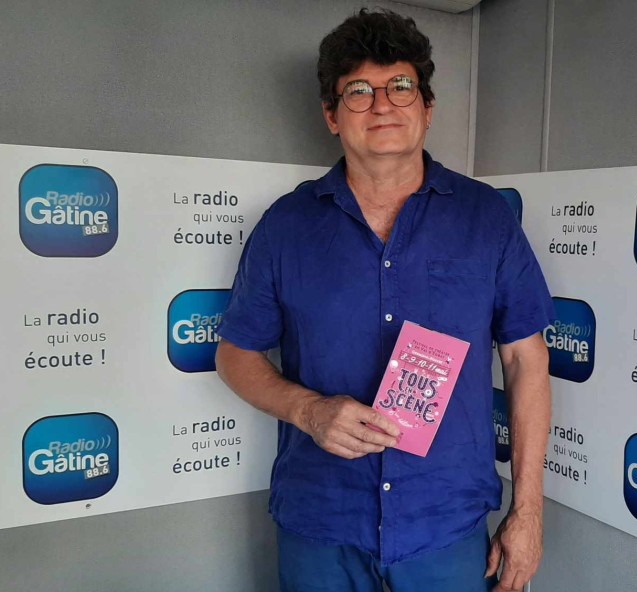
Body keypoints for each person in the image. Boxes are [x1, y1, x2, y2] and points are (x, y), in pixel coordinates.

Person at [215, 9, 553, 592]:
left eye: (400, 86)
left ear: (427, 106)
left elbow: (526, 359)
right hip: (322, 522)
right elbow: (235, 355)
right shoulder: (285, 227)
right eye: (358, 91)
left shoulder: (486, 219)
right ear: (331, 115)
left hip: (446, 524)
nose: (382, 105)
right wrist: (308, 411)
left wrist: (528, 512)